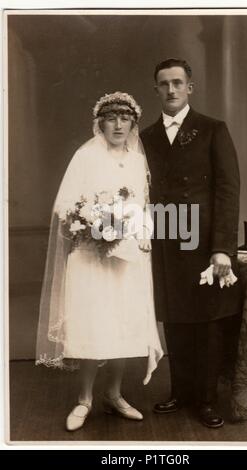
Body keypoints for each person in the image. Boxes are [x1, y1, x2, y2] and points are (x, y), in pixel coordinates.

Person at [36, 92, 163, 431]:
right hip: (91, 256)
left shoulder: (137, 161)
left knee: (123, 326)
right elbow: (65, 207)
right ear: (100, 123)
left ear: (133, 123)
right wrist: (96, 225)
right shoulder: (85, 157)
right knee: (93, 325)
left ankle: (114, 394)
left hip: (127, 257)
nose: (118, 124)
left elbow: (144, 205)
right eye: (111, 117)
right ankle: (84, 400)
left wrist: (133, 232)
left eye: (125, 118)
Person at [141, 58, 242, 428]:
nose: (171, 89)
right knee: (177, 318)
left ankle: (206, 399)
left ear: (190, 88)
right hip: (167, 239)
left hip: (204, 243)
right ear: (156, 89)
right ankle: (180, 392)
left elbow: (228, 192)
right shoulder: (146, 136)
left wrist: (222, 248)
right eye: (164, 83)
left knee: (208, 322)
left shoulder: (213, 129)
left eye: (177, 83)